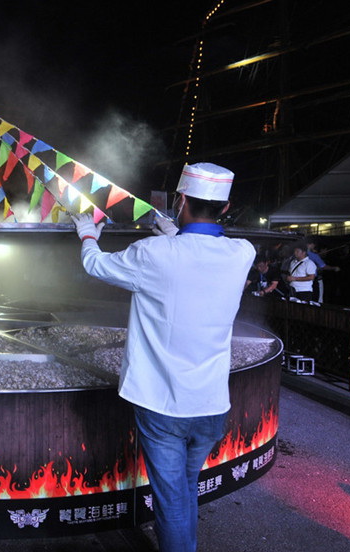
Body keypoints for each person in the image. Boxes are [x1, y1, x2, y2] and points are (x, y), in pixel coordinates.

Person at [70, 162, 255, 552]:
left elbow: (95, 264)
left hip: (163, 406)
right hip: (210, 405)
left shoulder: (152, 253)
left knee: (171, 501)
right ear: (224, 207)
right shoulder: (242, 253)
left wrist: (87, 232)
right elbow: (201, 255)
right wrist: (177, 232)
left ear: (180, 199)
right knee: (187, 488)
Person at [305, 238, 339, 303]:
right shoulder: (314, 255)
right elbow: (324, 266)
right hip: (313, 280)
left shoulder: (300, 255)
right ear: (311, 245)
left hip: (303, 280)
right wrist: (334, 268)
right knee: (318, 300)